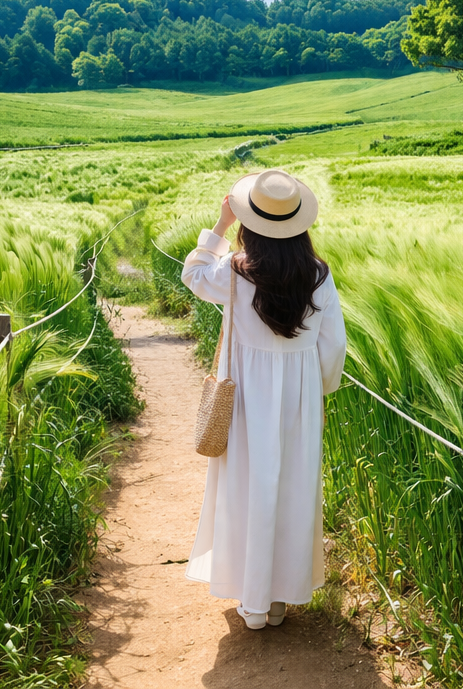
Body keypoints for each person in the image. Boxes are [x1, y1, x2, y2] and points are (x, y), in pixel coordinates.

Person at [180, 168, 347, 630]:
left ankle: (252, 603)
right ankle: (277, 602)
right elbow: (333, 346)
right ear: (299, 225)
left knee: (246, 489)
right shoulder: (318, 275)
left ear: (249, 223)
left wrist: (219, 226)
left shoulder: (234, 274)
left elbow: (191, 274)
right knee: (292, 489)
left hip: (246, 401)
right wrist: (317, 392)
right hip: (299, 399)